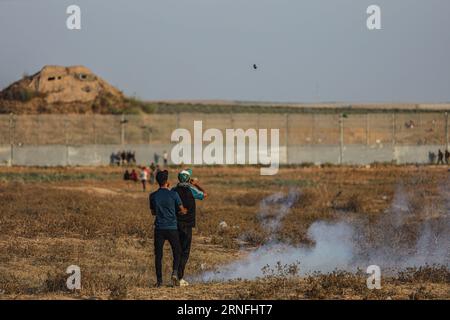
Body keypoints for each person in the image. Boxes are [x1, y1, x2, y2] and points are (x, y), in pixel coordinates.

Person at [150, 170, 187, 287]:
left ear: (157, 182)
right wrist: (183, 211)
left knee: (158, 255)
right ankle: (175, 272)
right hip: (172, 228)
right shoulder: (173, 194)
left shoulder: (152, 196)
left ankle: (159, 281)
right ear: (167, 182)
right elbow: (182, 209)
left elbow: (153, 212)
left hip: (159, 228)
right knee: (177, 251)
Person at [171, 169, 208, 286]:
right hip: (187, 225)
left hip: (175, 224)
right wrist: (196, 184)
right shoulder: (192, 190)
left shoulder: (173, 190)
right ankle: (180, 277)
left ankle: (175, 272)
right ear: (188, 179)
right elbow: (205, 194)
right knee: (185, 251)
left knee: (177, 250)